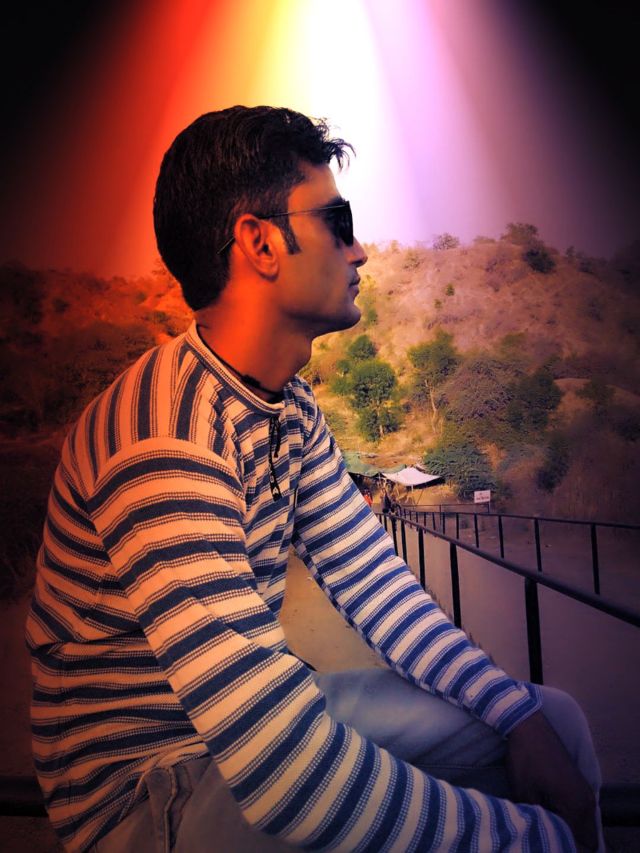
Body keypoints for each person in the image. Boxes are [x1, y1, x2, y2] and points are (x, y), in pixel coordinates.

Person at [27, 106, 602, 853]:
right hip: (150, 790)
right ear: (262, 243)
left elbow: (377, 588)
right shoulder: (163, 436)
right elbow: (283, 773)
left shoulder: (288, 407)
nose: (359, 250)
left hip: (238, 738)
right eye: (338, 221)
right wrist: (527, 838)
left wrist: (514, 713)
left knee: (554, 723)